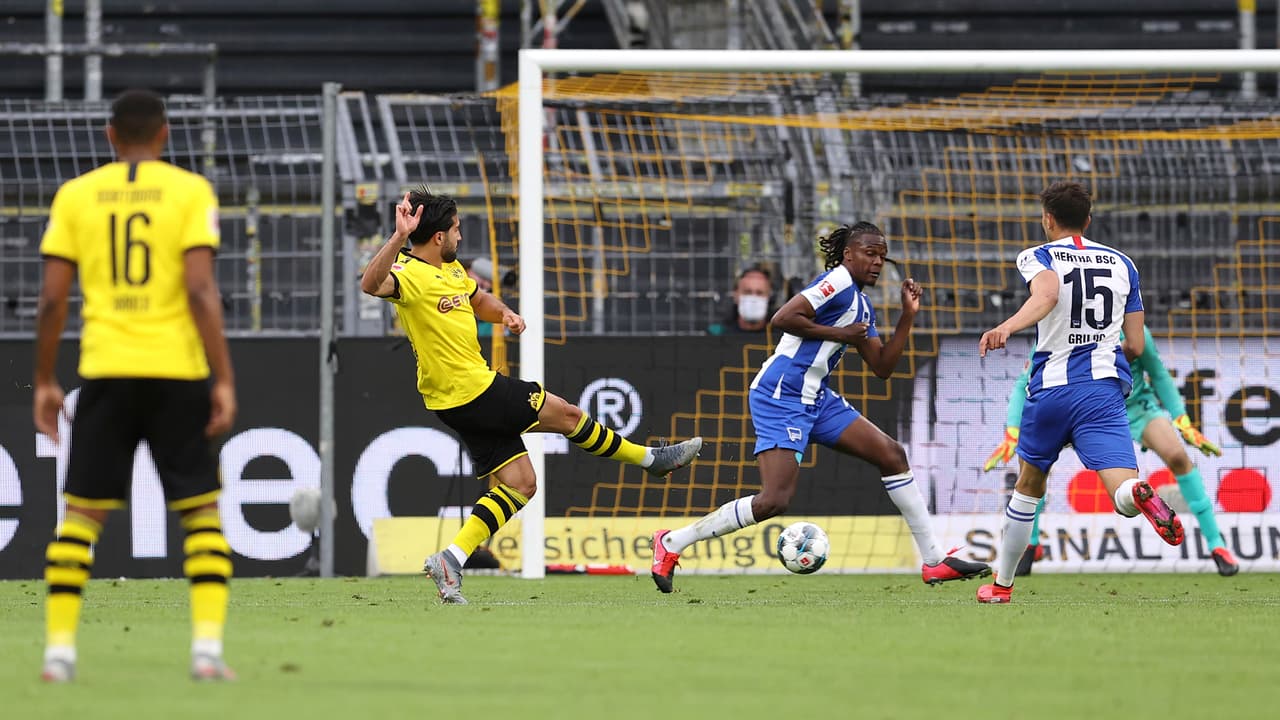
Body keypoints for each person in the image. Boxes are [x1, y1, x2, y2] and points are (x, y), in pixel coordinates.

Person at [360, 187, 703, 604]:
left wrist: (504, 313)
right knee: (570, 416)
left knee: (521, 484)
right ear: (437, 237)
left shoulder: (451, 271)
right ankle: (651, 461)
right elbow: (369, 283)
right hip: (474, 390)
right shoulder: (409, 274)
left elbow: (478, 299)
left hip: (455, 401)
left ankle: (451, 558)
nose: (460, 237)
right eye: (455, 230)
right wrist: (397, 237)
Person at [650, 222, 990, 592]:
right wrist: (841, 334)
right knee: (774, 501)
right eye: (869, 253)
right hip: (782, 393)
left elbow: (882, 367)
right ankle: (672, 543)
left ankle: (934, 561)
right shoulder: (836, 282)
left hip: (817, 397)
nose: (877, 262)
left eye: (882, 255)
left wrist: (907, 315)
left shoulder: (861, 303)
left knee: (892, 455)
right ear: (849, 255)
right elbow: (783, 318)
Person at [33, 90, 237, 681]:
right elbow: (201, 290)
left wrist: (45, 380)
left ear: (109, 135)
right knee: (201, 515)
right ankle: (205, 653)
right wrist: (221, 376)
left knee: (80, 517)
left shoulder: (76, 196)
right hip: (176, 371)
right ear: (166, 135)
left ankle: (59, 654)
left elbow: (51, 300)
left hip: (106, 370)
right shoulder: (189, 192)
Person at [975, 181, 1185, 604]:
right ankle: (1139, 494)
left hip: (1052, 387)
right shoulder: (1124, 263)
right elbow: (1138, 346)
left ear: (1047, 218)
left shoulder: (1038, 255)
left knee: (1029, 484)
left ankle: (1001, 587)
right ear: (1089, 219)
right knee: (1122, 491)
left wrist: (1007, 327)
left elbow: (1048, 294)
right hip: (1104, 392)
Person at [984, 326, 1239, 577]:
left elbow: (1158, 375)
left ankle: (1217, 545)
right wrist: (1013, 430)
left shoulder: (1136, 333)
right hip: (1083, 409)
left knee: (1177, 456)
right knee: (1037, 468)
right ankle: (1032, 543)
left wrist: (1182, 420)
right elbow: (1023, 382)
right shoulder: (1061, 328)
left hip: (1135, 408)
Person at [709, 266, 774, 334]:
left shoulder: (781, 338)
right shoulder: (718, 333)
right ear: (736, 295)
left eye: (759, 293)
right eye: (748, 292)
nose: (753, 299)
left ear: (769, 296)